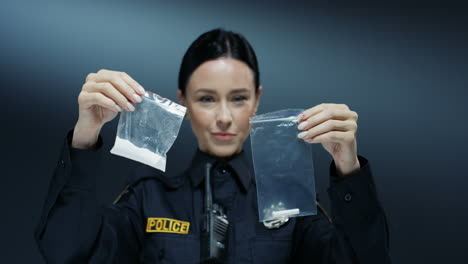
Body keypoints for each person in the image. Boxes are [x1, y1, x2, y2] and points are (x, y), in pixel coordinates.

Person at [35, 28, 391, 263]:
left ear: (256, 101)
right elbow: (67, 255)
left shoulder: (289, 205)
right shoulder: (147, 199)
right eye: (206, 99)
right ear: (183, 101)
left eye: (238, 98)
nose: (223, 117)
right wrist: (86, 135)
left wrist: (348, 169)